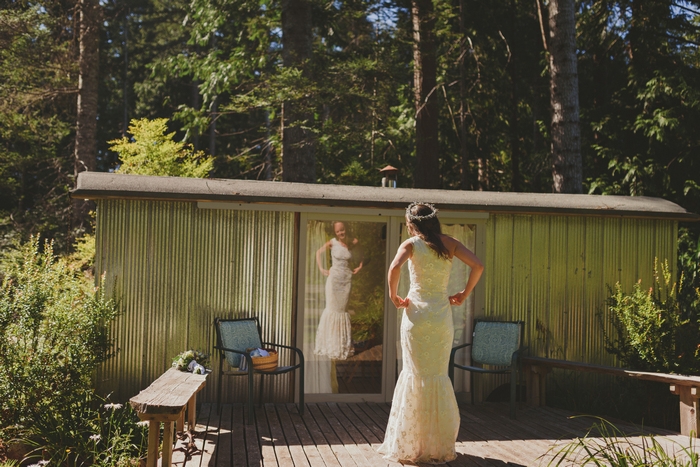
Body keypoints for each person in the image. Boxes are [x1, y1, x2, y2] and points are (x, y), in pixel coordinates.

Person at [378, 202, 484, 464]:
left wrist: (394, 296)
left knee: (415, 374)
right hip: (440, 317)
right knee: (437, 375)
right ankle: (436, 445)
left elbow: (394, 269)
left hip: (416, 316)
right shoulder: (451, 243)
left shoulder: (412, 244)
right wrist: (463, 294)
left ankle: (411, 445)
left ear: (412, 223)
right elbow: (478, 266)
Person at [314, 221, 363, 360]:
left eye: (342, 230)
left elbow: (361, 254)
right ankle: (330, 345)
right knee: (332, 310)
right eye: (338, 231)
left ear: (346, 229)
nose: (341, 233)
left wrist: (360, 266)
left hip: (346, 281)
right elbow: (318, 252)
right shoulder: (332, 242)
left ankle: (342, 346)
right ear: (335, 233)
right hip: (334, 281)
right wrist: (321, 268)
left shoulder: (353, 241)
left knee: (342, 312)